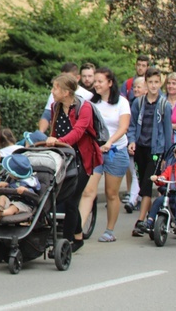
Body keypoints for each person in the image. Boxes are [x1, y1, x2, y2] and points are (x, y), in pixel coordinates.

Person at [45, 73, 102, 252]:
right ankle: (78, 236)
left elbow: (78, 132)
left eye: (56, 88)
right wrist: (51, 140)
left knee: (71, 200)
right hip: (64, 159)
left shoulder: (83, 108)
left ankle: (66, 243)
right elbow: (54, 129)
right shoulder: (56, 107)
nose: (52, 91)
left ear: (67, 92)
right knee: (63, 198)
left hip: (83, 160)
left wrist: (58, 141)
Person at [77, 68, 131, 242]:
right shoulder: (90, 102)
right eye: (96, 81)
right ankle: (77, 231)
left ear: (110, 83)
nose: (96, 84)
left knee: (111, 193)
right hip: (96, 152)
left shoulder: (122, 102)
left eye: (100, 81)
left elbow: (123, 127)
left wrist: (110, 142)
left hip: (117, 151)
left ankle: (109, 230)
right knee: (88, 191)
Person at [128, 67, 172, 237]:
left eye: (156, 82)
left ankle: (141, 222)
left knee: (147, 184)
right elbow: (132, 125)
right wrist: (132, 140)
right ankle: (152, 215)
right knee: (142, 183)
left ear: (160, 83)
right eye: (150, 82)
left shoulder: (164, 105)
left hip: (156, 150)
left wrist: (167, 157)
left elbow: (167, 132)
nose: (153, 86)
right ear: (145, 83)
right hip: (141, 148)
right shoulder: (138, 103)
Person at [38, 63, 92, 133]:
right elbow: (47, 115)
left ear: (77, 78)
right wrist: (41, 133)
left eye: (67, 78)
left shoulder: (87, 98)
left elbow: (78, 131)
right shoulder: (55, 100)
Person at [0, 154, 41, 220]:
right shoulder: (13, 179)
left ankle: (1, 213)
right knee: (2, 197)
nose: (8, 173)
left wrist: (26, 190)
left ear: (15, 173)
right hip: (12, 201)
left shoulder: (30, 182)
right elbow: (11, 187)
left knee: (13, 207)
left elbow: (34, 194)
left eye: (10, 171)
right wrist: (5, 186)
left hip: (24, 205)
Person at [123, 76, 146, 209]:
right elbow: (130, 125)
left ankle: (134, 199)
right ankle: (134, 199)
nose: (136, 89)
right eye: (134, 87)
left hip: (144, 144)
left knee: (138, 173)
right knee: (135, 172)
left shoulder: (150, 104)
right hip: (132, 142)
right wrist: (131, 140)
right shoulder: (131, 103)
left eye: (139, 87)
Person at [145, 149, 176, 230]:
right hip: (170, 194)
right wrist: (157, 178)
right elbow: (164, 177)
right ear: (175, 155)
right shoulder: (171, 168)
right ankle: (150, 221)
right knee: (158, 200)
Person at [164, 72, 176, 142]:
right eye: (168, 83)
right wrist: (173, 126)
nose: (170, 86)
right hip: (162, 141)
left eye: (174, 83)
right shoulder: (161, 101)